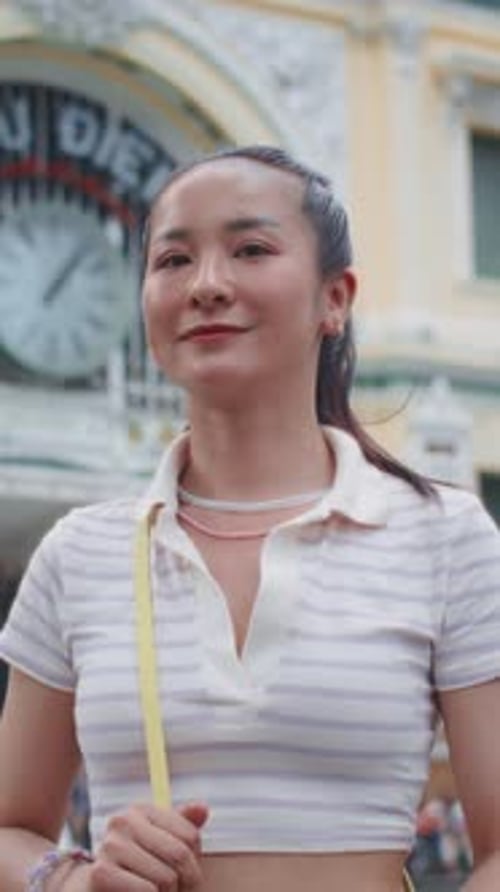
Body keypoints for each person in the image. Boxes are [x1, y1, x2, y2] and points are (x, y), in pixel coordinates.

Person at [0, 144, 499, 892]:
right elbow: (11, 827)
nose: (205, 285)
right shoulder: (79, 554)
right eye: (172, 261)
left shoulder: (446, 536)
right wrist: (70, 881)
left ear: (335, 298)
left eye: (250, 249)